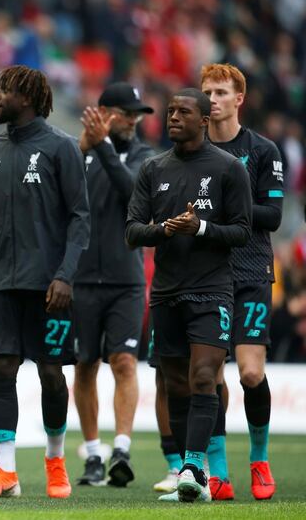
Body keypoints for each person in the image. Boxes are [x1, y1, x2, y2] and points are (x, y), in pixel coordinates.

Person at [0, 65, 90, 499]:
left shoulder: (61, 147)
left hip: (50, 286)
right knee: (0, 372)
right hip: (1, 284)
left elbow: (79, 218)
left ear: (27, 97)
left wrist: (65, 274)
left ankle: (55, 462)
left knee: (52, 374)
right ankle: (7, 473)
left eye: (4, 90)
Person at [126, 88, 252, 503]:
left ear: (203, 120)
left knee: (203, 377)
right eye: (170, 111)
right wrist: (165, 229)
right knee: (176, 384)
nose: (173, 117)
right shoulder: (153, 168)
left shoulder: (229, 168)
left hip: (212, 289)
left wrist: (200, 228)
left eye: (183, 112)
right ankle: (187, 466)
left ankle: (195, 468)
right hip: (165, 293)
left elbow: (242, 231)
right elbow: (132, 231)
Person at [201, 63, 284, 501]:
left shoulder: (263, 150)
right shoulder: (191, 151)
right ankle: (218, 471)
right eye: (207, 92)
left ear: (239, 100)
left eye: (220, 92)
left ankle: (259, 458)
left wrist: (228, 209)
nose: (212, 100)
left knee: (250, 374)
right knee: (210, 374)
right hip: (206, 274)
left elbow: (273, 215)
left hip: (251, 270)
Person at [72, 83, 155, 487]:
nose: (135, 119)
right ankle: (92, 454)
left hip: (126, 278)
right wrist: (86, 149)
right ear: (104, 112)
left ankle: (121, 447)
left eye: (138, 112)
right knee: (85, 364)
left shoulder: (146, 157)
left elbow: (133, 194)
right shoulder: (80, 153)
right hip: (81, 278)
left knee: (122, 361)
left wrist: (101, 147)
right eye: (128, 111)